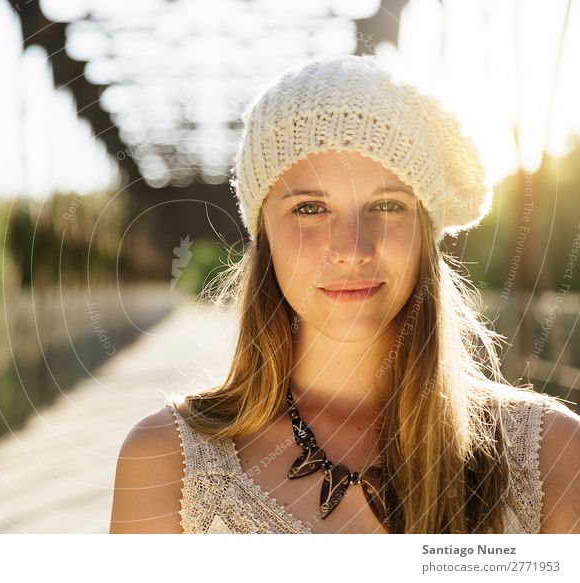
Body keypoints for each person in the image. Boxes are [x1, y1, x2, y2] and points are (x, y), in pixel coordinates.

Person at [109, 55, 580, 534]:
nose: (353, 249)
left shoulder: (552, 456)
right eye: (310, 208)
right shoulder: (167, 465)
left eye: (388, 205)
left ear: (426, 232)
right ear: (263, 232)